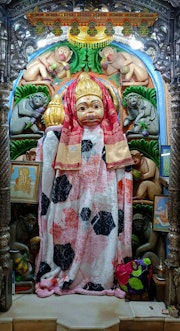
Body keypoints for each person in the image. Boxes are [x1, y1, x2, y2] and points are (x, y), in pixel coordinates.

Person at [35, 73, 133, 298]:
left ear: (107, 107)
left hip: (103, 200)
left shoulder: (113, 136)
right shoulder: (67, 136)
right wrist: (51, 136)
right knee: (69, 233)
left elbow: (122, 175)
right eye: (83, 107)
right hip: (73, 202)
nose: (90, 112)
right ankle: (69, 270)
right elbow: (50, 157)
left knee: (102, 241)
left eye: (96, 106)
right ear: (72, 110)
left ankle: (100, 276)